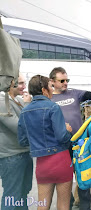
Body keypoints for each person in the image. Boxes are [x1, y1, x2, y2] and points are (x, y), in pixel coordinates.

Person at [49, 67, 91, 210]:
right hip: (60, 145)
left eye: (67, 80)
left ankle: (85, 204)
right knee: (64, 177)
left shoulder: (74, 93)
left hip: (79, 143)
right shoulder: (49, 99)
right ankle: (68, 202)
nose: (65, 83)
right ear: (52, 81)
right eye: (62, 81)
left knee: (82, 173)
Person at [18, 75, 73, 209]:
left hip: (42, 164)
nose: (52, 90)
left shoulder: (24, 112)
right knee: (64, 205)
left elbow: (23, 140)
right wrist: (68, 130)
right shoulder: (53, 107)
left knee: (42, 205)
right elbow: (62, 137)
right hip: (61, 160)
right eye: (50, 87)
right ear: (43, 90)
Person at [0, 73, 33, 210]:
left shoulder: (17, 99)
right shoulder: (2, 102)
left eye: (24, 83)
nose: (24, 87)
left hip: (24, 153)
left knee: (23, 195)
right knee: (12, 197)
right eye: (20, 83)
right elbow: (20, 128)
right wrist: (27, 105)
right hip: (12, 157)